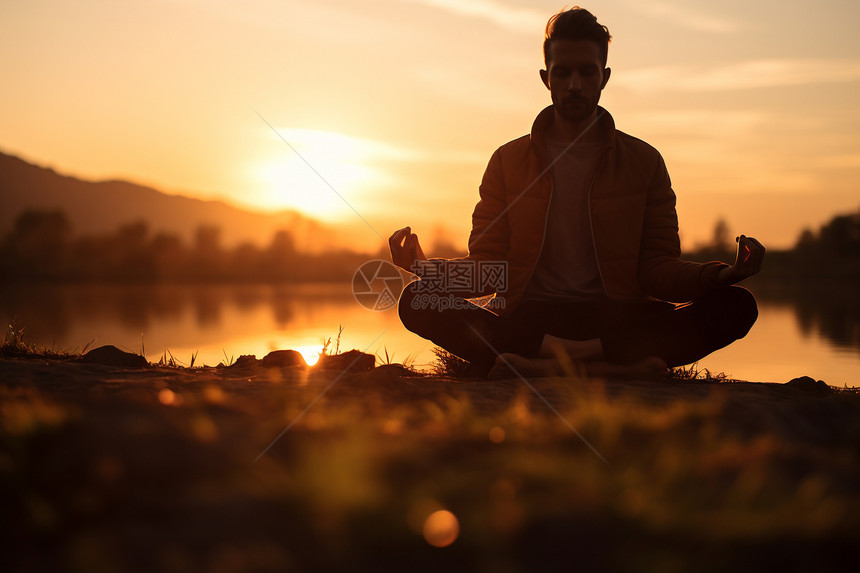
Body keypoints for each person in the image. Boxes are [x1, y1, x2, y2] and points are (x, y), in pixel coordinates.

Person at [389, 6, 765, 379]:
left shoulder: (644, 161)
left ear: (604, 76)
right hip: (534, 317)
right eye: (562, 73)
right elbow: (490, 271)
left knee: (737, 305)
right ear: (545, 78)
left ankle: (550, 361)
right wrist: (428, 271)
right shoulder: (507, 160)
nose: (574, 84)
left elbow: (657, 269)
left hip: (616, 316)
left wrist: (722, 275)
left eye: (587, 72)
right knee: (417, 300)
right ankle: (606, 364)